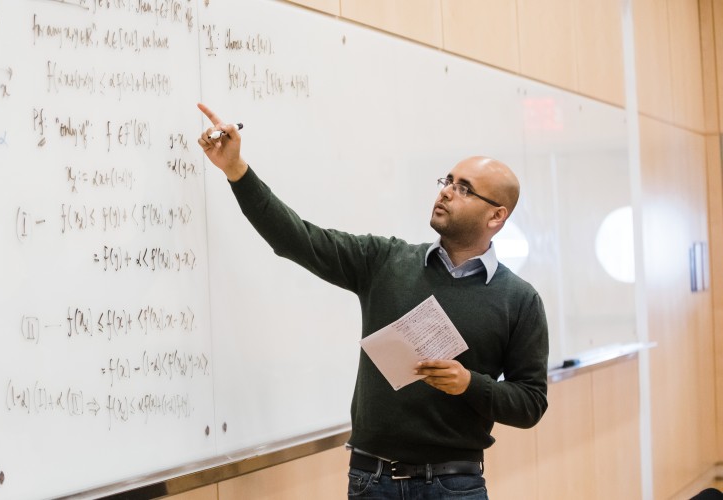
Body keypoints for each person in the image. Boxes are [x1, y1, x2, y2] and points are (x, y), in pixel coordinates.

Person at [196, 103, 549, 500]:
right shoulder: (385, 261)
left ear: (496, 216)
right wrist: (236, 171)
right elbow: (296, 239)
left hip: (455, 484)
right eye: (447, 181)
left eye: (464, 188)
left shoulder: (518, 299)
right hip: (371, 479)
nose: (447, 191)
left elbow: (531, 403)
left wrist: (470, 384)